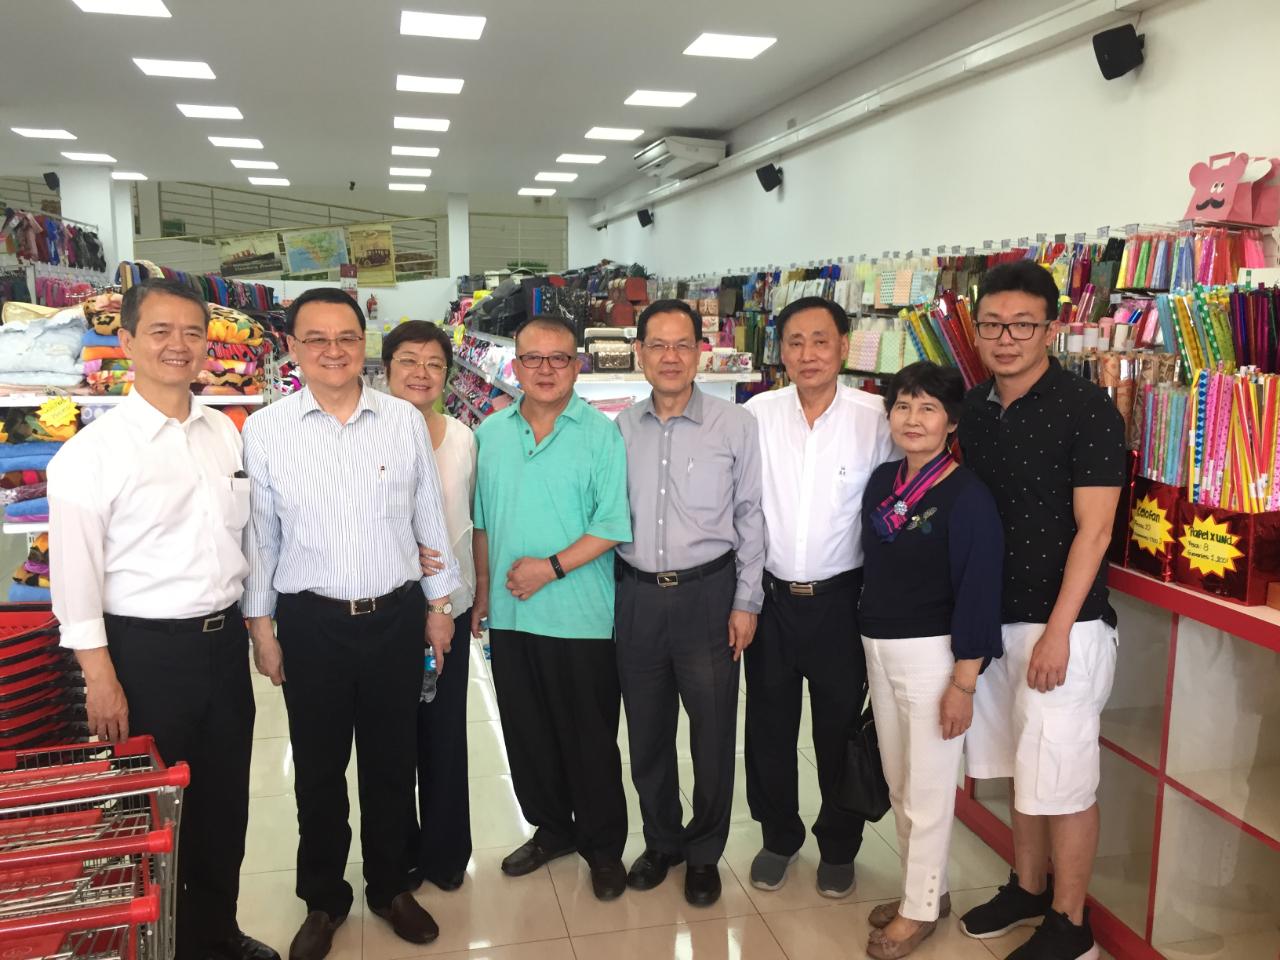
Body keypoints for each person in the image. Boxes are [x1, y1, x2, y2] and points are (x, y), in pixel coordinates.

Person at [48, 280, 277, 960]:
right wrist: (100, 676)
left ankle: (215, 933)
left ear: (209, 344)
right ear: (126, 342)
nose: (179, 346)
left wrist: (259, 629)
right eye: (160, 332)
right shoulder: (92, 454)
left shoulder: (224, 435)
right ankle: (156, 943)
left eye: (192, 333)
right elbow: (75, 579)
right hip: (143, 654)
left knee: (222, 803)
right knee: (149, 810)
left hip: (219, 645)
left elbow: (247, 541)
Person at [241, 288, 462, 960]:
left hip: (395, 618)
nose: (333, 351)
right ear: (292, 348)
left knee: (393, 763)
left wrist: (440, 606)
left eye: (346, 337)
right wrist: (261, 628)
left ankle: (391, 885)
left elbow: (429, 519)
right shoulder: (266, 429)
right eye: (316, 339)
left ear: (364, 343)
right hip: (311, 624)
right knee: (318, 769)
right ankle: (323, 898)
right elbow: (261, 539)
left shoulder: (401, 421)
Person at [957, 260, 1125, 960]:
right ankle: (1027, 888)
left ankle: (1071, 921)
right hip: (994, 625)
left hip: (1066, 629)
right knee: (1021, 767)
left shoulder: (1086, 410)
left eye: (1023, 325)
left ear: (1050, 329)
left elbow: (1095, 529)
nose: (1006, 337)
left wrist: (1059, 632)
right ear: (976, 326)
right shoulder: (973, 406)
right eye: (993, 323)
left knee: (1064, 775)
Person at [472, 314, 633, 901]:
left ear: (577, 365)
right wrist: (484, 591)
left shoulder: (600, 434)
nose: (545, 369)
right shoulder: (489, 433)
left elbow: (613, 526)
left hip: (584, 617)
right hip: (513, 618)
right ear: (514, 365)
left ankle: (603, 846)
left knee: (588, 737)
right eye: (533, 358)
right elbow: (483, 522)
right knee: (527, 732)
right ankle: (551, 829)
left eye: (559, 358)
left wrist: (549, 568)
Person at [741, 296, 895, 897]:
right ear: (780, 350)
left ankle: (839, 844)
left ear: (843, 346)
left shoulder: (876, 418)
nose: (808, 354)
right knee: (769, 728)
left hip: (842, 600)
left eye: (821, 341)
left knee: (838, 730)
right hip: (770, 599)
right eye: (796, 342)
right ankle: (779, 836)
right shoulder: (755, 414)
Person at [615, 300, 765, 907]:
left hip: (710, 595)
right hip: (637, 599)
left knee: (710, 733)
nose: (670, 356)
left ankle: (705, 852)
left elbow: (752, 515)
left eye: (682, 345)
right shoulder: (619, 429)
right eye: (658, 345)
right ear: (640, 354)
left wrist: (747, 600)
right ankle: (661, 841)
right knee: (647, 733)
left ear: (702, 352)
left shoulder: (735, 425)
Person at [857, 361, 1004, 960]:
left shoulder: (966, 495)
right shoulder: (882, 481)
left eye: (927, 408)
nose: (912, 419)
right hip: (878, 646)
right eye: (902, 406)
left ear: (951, 422)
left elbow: (979, 588)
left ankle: (919, 911)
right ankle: (928, 889)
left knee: (930, 786)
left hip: (933, 656)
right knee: (899, 781)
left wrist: (963, 682)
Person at [382, 320, 478, 892]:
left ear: (448, 373)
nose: (421, 373)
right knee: (392, 739)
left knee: (443, 732)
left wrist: (475, 591)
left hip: (452, 608)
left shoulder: (464, 437)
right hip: (391, 613)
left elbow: (471, 522)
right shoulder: (366, 434)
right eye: (408, 361)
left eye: (434, 364)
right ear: (387, 367)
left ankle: (446, 852)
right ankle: (399, 854)